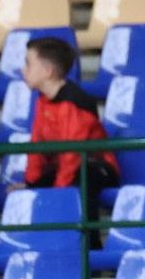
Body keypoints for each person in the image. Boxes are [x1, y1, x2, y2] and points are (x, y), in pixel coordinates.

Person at [20, 36, 120, 197]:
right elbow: (36, 146)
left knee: (83, 179)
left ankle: (84, 222)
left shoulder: (73, 103)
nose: (23, 70)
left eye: (28, 64)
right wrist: (31, 183)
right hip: (67, 168)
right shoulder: (43, 100)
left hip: (97, 167)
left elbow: (72, 155)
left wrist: (60, 194)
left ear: (48, 71)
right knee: (36, 188)